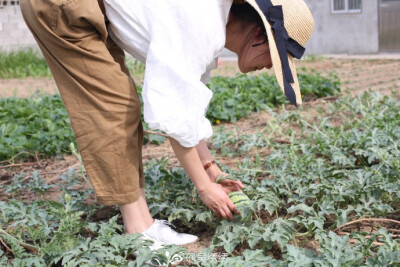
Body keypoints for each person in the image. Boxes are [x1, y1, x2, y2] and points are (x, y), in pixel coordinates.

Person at [20, 0, 313, 251]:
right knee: (115, 108)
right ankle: (140, 232)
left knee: (119, 101)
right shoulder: (201, 28)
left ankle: (140, 223)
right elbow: (173, 114)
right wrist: (203, 189)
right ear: (260, 35)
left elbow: (188, 111)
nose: (272, 67)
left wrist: (212, 171)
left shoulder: (211, 23)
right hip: (64, 5)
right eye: (277, 58)